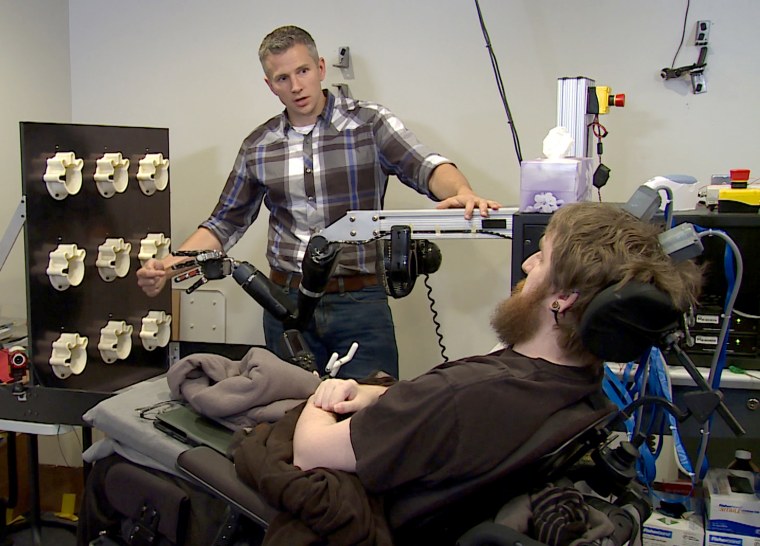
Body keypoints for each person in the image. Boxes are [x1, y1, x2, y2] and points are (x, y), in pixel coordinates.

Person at [136, 25, 501, 380]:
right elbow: (224, 223)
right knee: (290, 422)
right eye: (282, 78)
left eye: (303, 71)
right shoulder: (259, 145)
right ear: (269, 85)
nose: (296, 86)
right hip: (284, 304)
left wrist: (462, 192)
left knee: (369, 420)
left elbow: (426, 166)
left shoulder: (369, 124)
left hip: (359, 303)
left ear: (320, 68)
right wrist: (169, 266)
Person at [290, 201, 702, 495]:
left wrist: (322, 395)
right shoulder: (580, 384)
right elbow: (433, 414)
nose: (526, 265)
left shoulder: (467, 395)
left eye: (540, 259)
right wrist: (376, 395)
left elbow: (310, 453)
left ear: (563, 300)